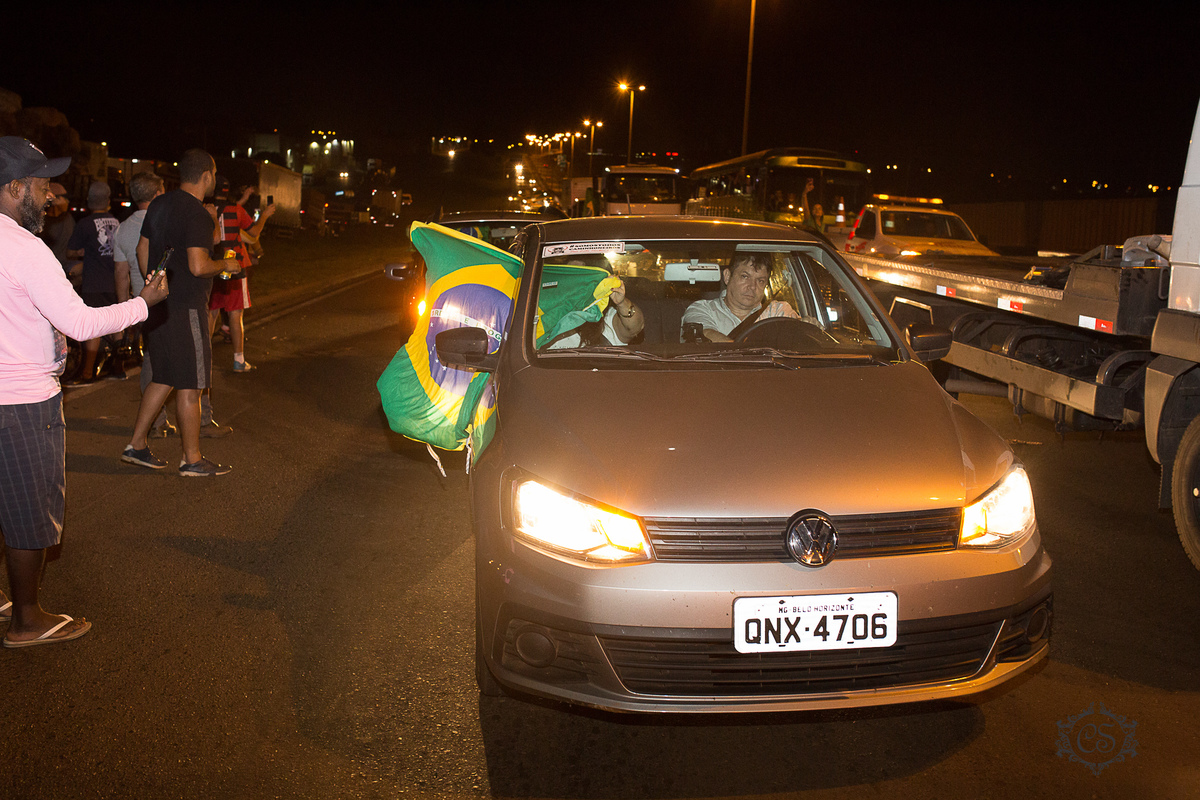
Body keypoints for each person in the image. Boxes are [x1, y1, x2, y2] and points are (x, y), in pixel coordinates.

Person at [0, 136, 169, 647]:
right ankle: (27, 620)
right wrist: (144, 302)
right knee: (28, 511)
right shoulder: (25, 249)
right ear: (14, 188)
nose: (51, 195)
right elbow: (78, 323)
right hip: (23, 402)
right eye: (41, 185)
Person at [122, 148, 232, 477]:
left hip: (159, 308)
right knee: (191, 384)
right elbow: (199, 266)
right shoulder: (197, 214)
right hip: (187, 308)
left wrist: (155, 286)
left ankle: (136, 445)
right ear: (207, 176)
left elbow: (142, 248)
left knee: (164, 377)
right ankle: (192, 459)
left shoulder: (159, 204)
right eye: (214, 175)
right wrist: (226, 264)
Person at [114, 171, 175, 438]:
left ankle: (157, 420)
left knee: (151, 358)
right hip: (167, 302)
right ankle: (157, 421)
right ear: (159, 193)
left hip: (141, 305)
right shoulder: (166, 221)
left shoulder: (123, 228)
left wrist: (123, 313)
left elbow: (121, 274)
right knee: (168, 361)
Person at [208, 181, 274, 372]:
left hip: (214, 266)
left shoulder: (206, 209)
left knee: (211, 313)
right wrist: (265, 215)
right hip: (235, 267)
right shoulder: (236, 210)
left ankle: (203, 358)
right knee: (235, 315)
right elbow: (254, 233)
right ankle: (239, 361)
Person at [66, 181, 124, 381]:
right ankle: (118, 367)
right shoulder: (117, 222)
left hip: (94, 282)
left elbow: (70, 251)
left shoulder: (84, 224)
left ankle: (87, 372)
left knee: (94, 327)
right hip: (115, 281)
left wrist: (81, 252)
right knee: (116, 323)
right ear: (108, 201)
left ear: (89, 201)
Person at [680, 252, 799, 342]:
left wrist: (806, 327)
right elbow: (705, 334)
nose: (752, 286)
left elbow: (798, 335)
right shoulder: (702, 309)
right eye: (745, 277)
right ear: (727, 276)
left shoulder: (777, 311)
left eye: (760, 281)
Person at [39, 181, 74, 274]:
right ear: (54, 200)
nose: (67, 202)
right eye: (64, 198)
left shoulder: (68, 218)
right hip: (50, 266)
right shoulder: (43, 222)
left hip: (64, 264)